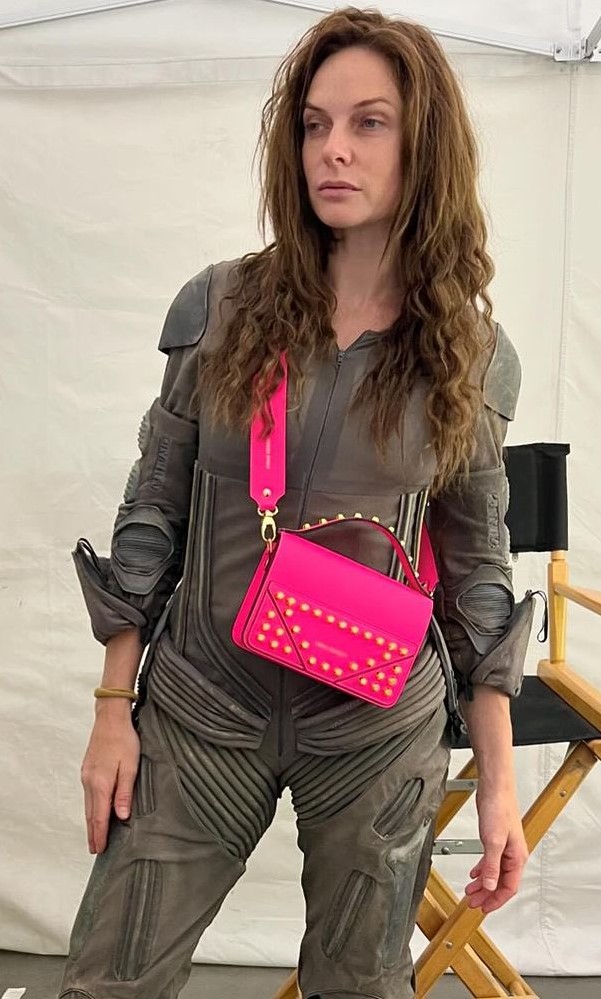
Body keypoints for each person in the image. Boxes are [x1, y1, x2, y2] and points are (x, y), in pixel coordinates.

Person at [58, 8, 537, 999]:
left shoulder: (472, 355)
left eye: (369, 123)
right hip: (201, 708)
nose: (333, 149)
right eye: (315, 124)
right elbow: (151, 515)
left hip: (373, 728)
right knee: (110, 981)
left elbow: (478, 580)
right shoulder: (219, 307)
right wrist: (113, 709)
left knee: (358, 987)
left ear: (425, 145)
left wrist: (498, 786)